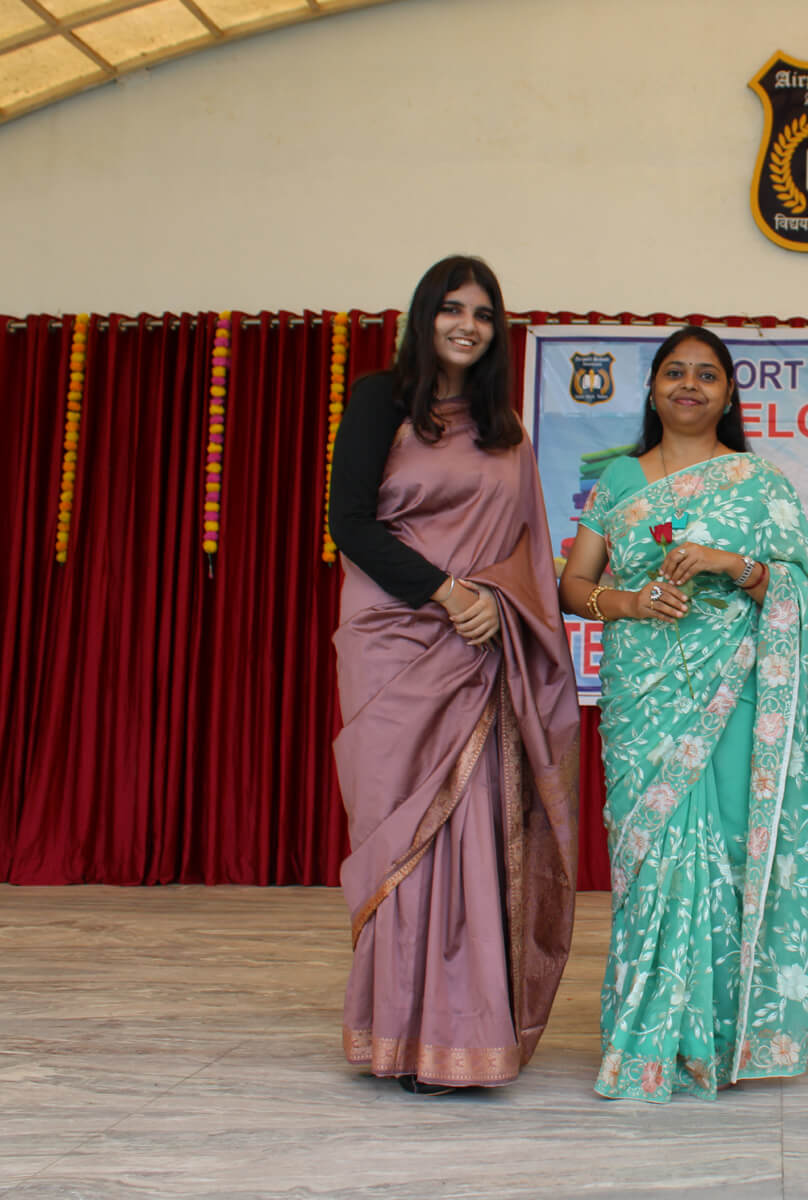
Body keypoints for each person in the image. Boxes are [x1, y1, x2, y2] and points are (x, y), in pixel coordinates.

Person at [328, 255, 580, 1094]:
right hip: (395, 642)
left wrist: (493, 604)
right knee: (401, 831)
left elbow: (527, 553)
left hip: (478, 651)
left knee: (472, 834)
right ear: (424, 317)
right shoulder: (381, 400)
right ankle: (397, 1031)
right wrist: (446, 594)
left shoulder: (506, 432)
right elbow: (349, 523)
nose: (466, 325)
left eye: (482, 313)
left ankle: (460, 1035)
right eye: (451, 309)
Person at [559, 326, 808, 1103]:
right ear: (652, 388)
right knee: (652, 864)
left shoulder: (759, 482)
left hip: (734, 692)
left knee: (728, 853)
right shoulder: (618, 479)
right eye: (674, 372)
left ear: (729, 392)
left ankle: (717, 1039)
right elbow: (574, 585)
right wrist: (631, 602)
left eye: (706, 374)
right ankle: (646, 1041)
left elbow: (801, 589)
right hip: (643, 698)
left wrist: (731, 565)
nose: (689, 385)